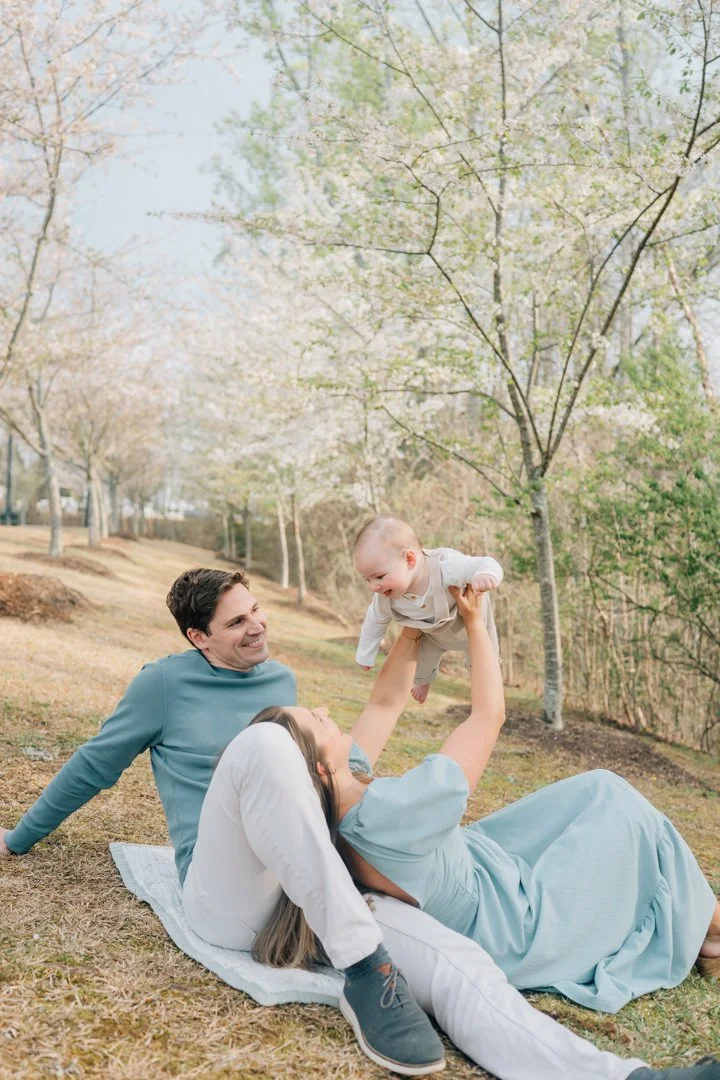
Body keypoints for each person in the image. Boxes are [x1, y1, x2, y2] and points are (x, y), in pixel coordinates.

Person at [0, 568, 713, 1080]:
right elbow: (94, 764)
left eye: (257, 611)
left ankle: (627, 1077)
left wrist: (415, 612)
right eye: (236, 621)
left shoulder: (280, 686)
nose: (257, 625)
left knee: (462, 971)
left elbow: (378, 712)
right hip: (233, 888)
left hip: (322, 886)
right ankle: (365, 961)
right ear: (198, 637)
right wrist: (19, 836)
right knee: (263, 742)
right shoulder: (167, 685)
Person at [354, 514, 502, 703]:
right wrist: (365, 653)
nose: (374, 586)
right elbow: (374, 621)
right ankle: (423, 680)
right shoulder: (384, 598)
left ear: (409, 560)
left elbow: (484, 563)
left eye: (379, 577)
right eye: (367, 579)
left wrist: (486, 574)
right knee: (421, 657)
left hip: (471, 627)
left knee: (485, 663)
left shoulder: (445, 567)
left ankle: (487, 693)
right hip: (433, 634)